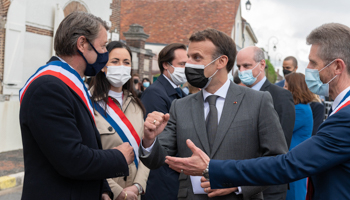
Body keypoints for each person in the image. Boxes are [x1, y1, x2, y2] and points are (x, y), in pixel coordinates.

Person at [165, 23, 350, 200]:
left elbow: (287, 163)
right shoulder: (341, 111)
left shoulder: (346, 117)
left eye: (312, 62)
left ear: (338, 67)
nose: (307, 69)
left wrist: (211, 168)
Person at [141, 29, 288, 200]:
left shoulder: (257, 101)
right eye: (188, 57)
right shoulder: (179, 106)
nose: (188, 63)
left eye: (196, 57)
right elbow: (158, 160)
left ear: (221, 61)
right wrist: (150, 140)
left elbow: (277, 160)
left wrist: (239, 185)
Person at [19, 12, 134, 200]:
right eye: (103, 46)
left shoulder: (70, 85)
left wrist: (103, 189)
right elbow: (71, 159)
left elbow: (88, 144)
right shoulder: (49, 88)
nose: (105, 53)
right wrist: (118, 157)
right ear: (82, 44)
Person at [90, 41, 150, 200]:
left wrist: (138, 186)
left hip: (135, 194)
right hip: (106, 194)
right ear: (103, 66)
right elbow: (89, 156)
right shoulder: (89, 104)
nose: (121, 66)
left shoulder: (136, 105)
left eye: (126, 62)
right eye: (115, 61)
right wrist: (118, 192)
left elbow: (144, 151)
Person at [236, 46, 295, 200]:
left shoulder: (280, 96)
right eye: (238, 67)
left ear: (262, 65)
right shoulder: (236, 96)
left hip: (269, 186)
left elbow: (281, 144)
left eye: (246, 66)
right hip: (237, 183)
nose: (242, 71)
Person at [140, 43, 188, 200]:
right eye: (182, 64)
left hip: (174, 176)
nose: (186, 68)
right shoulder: (156, 93)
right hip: (163, 178)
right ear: (166, 65)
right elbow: (160, 141)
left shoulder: (177, 91)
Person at [283, 73, 314, 200]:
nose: (283, 89)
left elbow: (280, 128)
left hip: (295, 162)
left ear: (294, 89)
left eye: (286, 86)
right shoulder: (299, 108)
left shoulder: (300, 109)